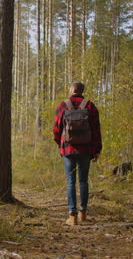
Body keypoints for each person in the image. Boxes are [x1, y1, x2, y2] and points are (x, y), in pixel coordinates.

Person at [53, 82, 102, 226]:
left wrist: (60, 144)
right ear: (81, 91)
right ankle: (83, 213)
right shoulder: (90, 106)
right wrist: (97, 149)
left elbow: (56, 129)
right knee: (83, 181)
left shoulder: (63, 105)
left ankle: (72, 216)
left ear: (73, 90)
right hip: (86, 150)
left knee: (70, 182)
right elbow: (96, 130)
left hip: (68, 150)